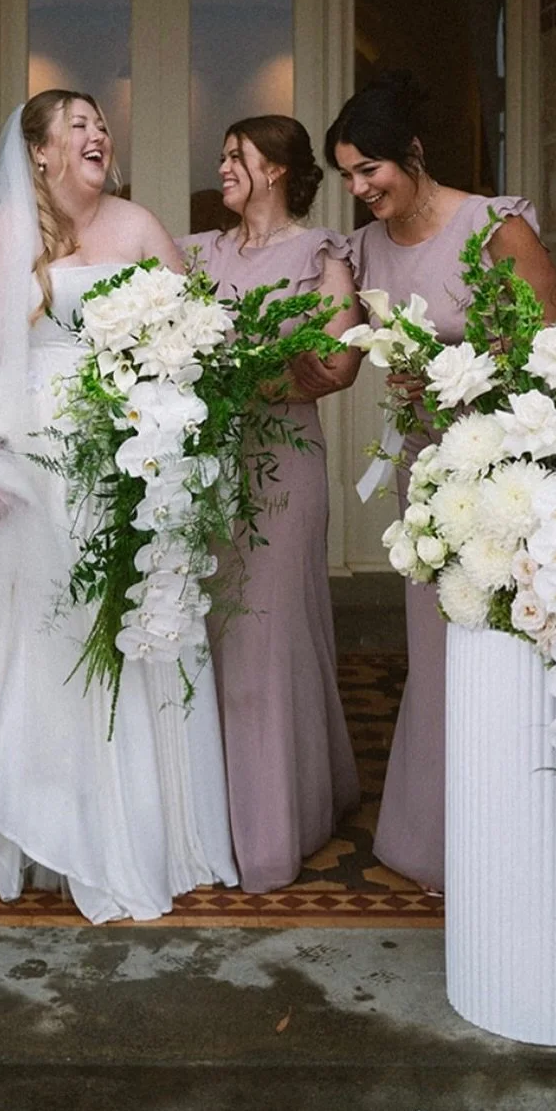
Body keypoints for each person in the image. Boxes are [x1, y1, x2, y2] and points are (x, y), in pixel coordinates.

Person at [0, 90, 237, 921]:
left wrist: (170, 402)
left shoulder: (136, 226)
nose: (99, 135)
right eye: (79, 126)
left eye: (102, 125)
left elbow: (202, 330)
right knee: (33, 632)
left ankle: (135, 831)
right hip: (29, 463)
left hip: (126, 451)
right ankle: (25, 831)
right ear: (37, 151)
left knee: (122, 618)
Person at [323, 71, 556, 893]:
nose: (360, 191)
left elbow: (551, 346)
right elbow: (332, 357)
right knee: (434, 648)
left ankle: (508, 833)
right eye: (347, 176)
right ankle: (435, 841)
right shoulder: (364, 250)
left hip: (500, 471)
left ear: (411, 155)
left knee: (498, 645)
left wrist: (464, 376)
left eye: (369, 171)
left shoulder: (492, 228)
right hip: (424, 473)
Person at [184, 116, 363, 892]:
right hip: (200, 469)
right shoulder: (198, 253)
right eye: (224, 156)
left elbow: (337, 362)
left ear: (280, 169)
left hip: (283, 463)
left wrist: (240, 382)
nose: (223, 167)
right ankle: (203, 817)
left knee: (268, 636)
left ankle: (269, 830)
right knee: (209, 632)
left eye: (238, 157)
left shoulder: (324, 254)